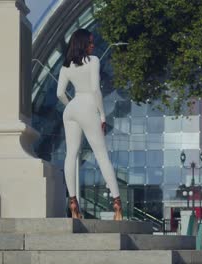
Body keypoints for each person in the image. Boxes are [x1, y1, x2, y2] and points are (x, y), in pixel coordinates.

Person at [56, 28, 122, 221]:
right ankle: (118, 204)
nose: (93, 45)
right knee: (102, 156)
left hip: (72, 108)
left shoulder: (65, 67)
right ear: (83, 43)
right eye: (90, 42)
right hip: (87, 106)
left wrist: (72, 106)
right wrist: (102, 115)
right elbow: (95, 89)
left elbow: (59, 93)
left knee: (71, 154)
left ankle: (73, 202)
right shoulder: (93, 61)